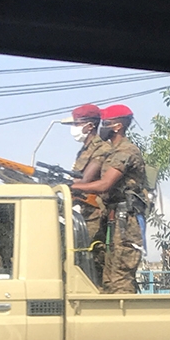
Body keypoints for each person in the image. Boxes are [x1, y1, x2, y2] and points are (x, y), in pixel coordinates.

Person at [71, 104, 148, 293]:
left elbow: (105, 184)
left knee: (120, 279)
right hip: (114, 218)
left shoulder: (126, 151)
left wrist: (72, 187)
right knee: (108, 279)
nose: (102, 127)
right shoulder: (112, 152)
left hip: (126, 221)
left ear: (117, 127)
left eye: (106, 123)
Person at [63, 103, 112, 280]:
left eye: (77, 124)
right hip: (82, 210)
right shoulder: (84, 150)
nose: (74, 129)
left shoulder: (102, 149)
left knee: (90, 255)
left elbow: (86, 179)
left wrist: (67, 184)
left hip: (94, 213)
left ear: (90, 126)